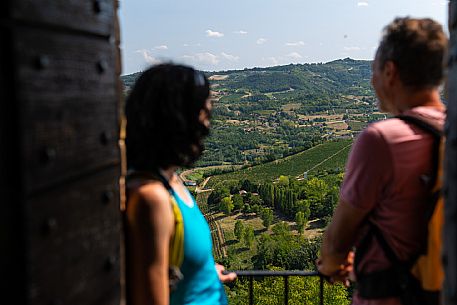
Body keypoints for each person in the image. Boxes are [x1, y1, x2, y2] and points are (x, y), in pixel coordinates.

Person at [317, 17, 448, 305]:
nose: (372, 79)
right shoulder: (451, 133)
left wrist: (330, 265)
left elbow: (337, 241)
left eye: (373, 69)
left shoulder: (383, 140)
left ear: (390, 71)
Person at [124, 63, 236, 305]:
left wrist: (203, 275)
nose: (206, 127)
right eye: (203, 115)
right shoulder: (151, 197)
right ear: (175, 121)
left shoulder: (171, 182)